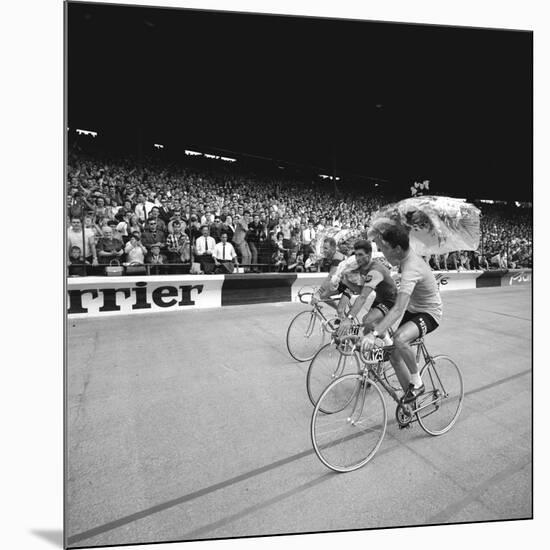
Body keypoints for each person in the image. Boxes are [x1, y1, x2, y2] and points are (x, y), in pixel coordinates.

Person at [366, 225, 443, 403]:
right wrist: (380, 237)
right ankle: (408, 405)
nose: (383, 254)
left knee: (399, 339)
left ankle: (417, 383)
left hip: (430, 313)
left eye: (385, 249)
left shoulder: (411, 268)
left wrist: (374, 334)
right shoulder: (405, 254)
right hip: (414, 309)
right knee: (394, 355)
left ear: (398, 249)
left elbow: (398, 309)